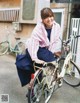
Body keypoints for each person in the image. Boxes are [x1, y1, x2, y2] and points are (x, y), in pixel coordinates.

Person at [15, 7, 62, 87]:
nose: (49, 19)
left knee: (41, 68)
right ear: (42, 19)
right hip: (37, 49)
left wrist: (51, 52)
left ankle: (35, 90)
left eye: (51, 16)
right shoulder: (38, 28)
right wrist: (34, 58)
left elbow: (55, 41)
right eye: (46, 17)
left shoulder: (57, 26)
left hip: (45, 50)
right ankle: (36, 87)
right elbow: (34, 43)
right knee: (53, 62)